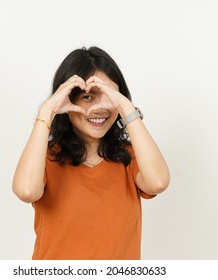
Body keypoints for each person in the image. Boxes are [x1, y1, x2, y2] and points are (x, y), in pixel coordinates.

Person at [12, 46, 170, 260]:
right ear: (66, 101)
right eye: (87, 97)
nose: (100, 108)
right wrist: (47, 112)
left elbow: (158, 182)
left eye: (109, 96)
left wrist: (125, 107)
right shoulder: (46, 157)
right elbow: (26, 191)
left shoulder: (130, 157)